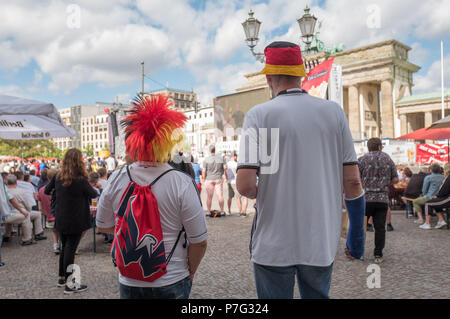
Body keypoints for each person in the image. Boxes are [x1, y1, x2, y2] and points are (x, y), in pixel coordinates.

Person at [236, 41, 364, 299]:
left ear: (269, 78)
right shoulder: (333, 112)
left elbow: (245, 185)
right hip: (319, 241)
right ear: (301, 74)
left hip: (273, 243)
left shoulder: (259, 115)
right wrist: (356, 236)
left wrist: (274, 189)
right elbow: (352, 183)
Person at [96, 94, 207, 299]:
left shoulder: (116, 178)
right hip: (172, 278)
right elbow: (199, 241)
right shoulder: (181, 182)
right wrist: (191, 271)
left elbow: (103, 225)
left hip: (129, 279)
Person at [45, 148, 98, 294]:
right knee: (70, 249)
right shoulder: (80, 179)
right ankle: (70, 284)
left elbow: (46, 191)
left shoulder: (58, 176)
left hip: (61, 217)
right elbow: (93, 194)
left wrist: (60, 192)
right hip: (75, 218)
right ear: (78, 161)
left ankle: (62, 277)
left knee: (65, 247)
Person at [358, 138, 398, 263]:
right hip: (382, 199)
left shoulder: (362, 160)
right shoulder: (387, 159)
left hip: (366, 199)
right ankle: (378, 254)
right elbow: (396, 179)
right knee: (380, 228)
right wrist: (385, 183)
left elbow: (356, 179)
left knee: (361, 227)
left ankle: (359, 253)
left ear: (368, 147)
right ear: (380, 147)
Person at [6, 174, 46, 241]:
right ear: (16, 181)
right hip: (19, 213)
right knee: (37, 214)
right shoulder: (20, 191)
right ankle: (37, 234)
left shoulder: (4, 191)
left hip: (7, 213)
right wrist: (28, 209)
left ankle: (7, 234)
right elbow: (27, 205)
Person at [1, 174, 34, 246]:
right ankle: (27, 239)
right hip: (5, 215)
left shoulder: (4, 188)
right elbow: (12, 201)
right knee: (26, 216)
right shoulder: (4, 189)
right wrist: (23, 211)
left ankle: (7, 235)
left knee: (9, 214)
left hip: (5, 213)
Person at [420, 163, 450, 230]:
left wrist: (437, 196)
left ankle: (427, 223)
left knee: (428, 203)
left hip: (447, 199)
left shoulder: (448, 178)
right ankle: (441, 221)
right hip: (446, 197)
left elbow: (444, 189)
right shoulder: (444, 177)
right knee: (434, 202)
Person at [38, 168, 59, 254]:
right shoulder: (60, 188)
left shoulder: (41, 190)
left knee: (54, 232)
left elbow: (40, 205)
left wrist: (44, 212)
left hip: (49, 217)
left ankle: (55, 246)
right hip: (60, 217)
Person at [202, 145, 226, 217]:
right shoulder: (221, 158)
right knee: (220, 196)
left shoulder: (206, 159)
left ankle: (209, 212)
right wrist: (223, 174)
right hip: (218, 178)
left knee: (209, 196)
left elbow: (204, 171)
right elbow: (225, 167)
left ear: (210, 151)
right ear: (215, 150)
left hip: (209, 179)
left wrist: (204, 179)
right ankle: (222, 211)